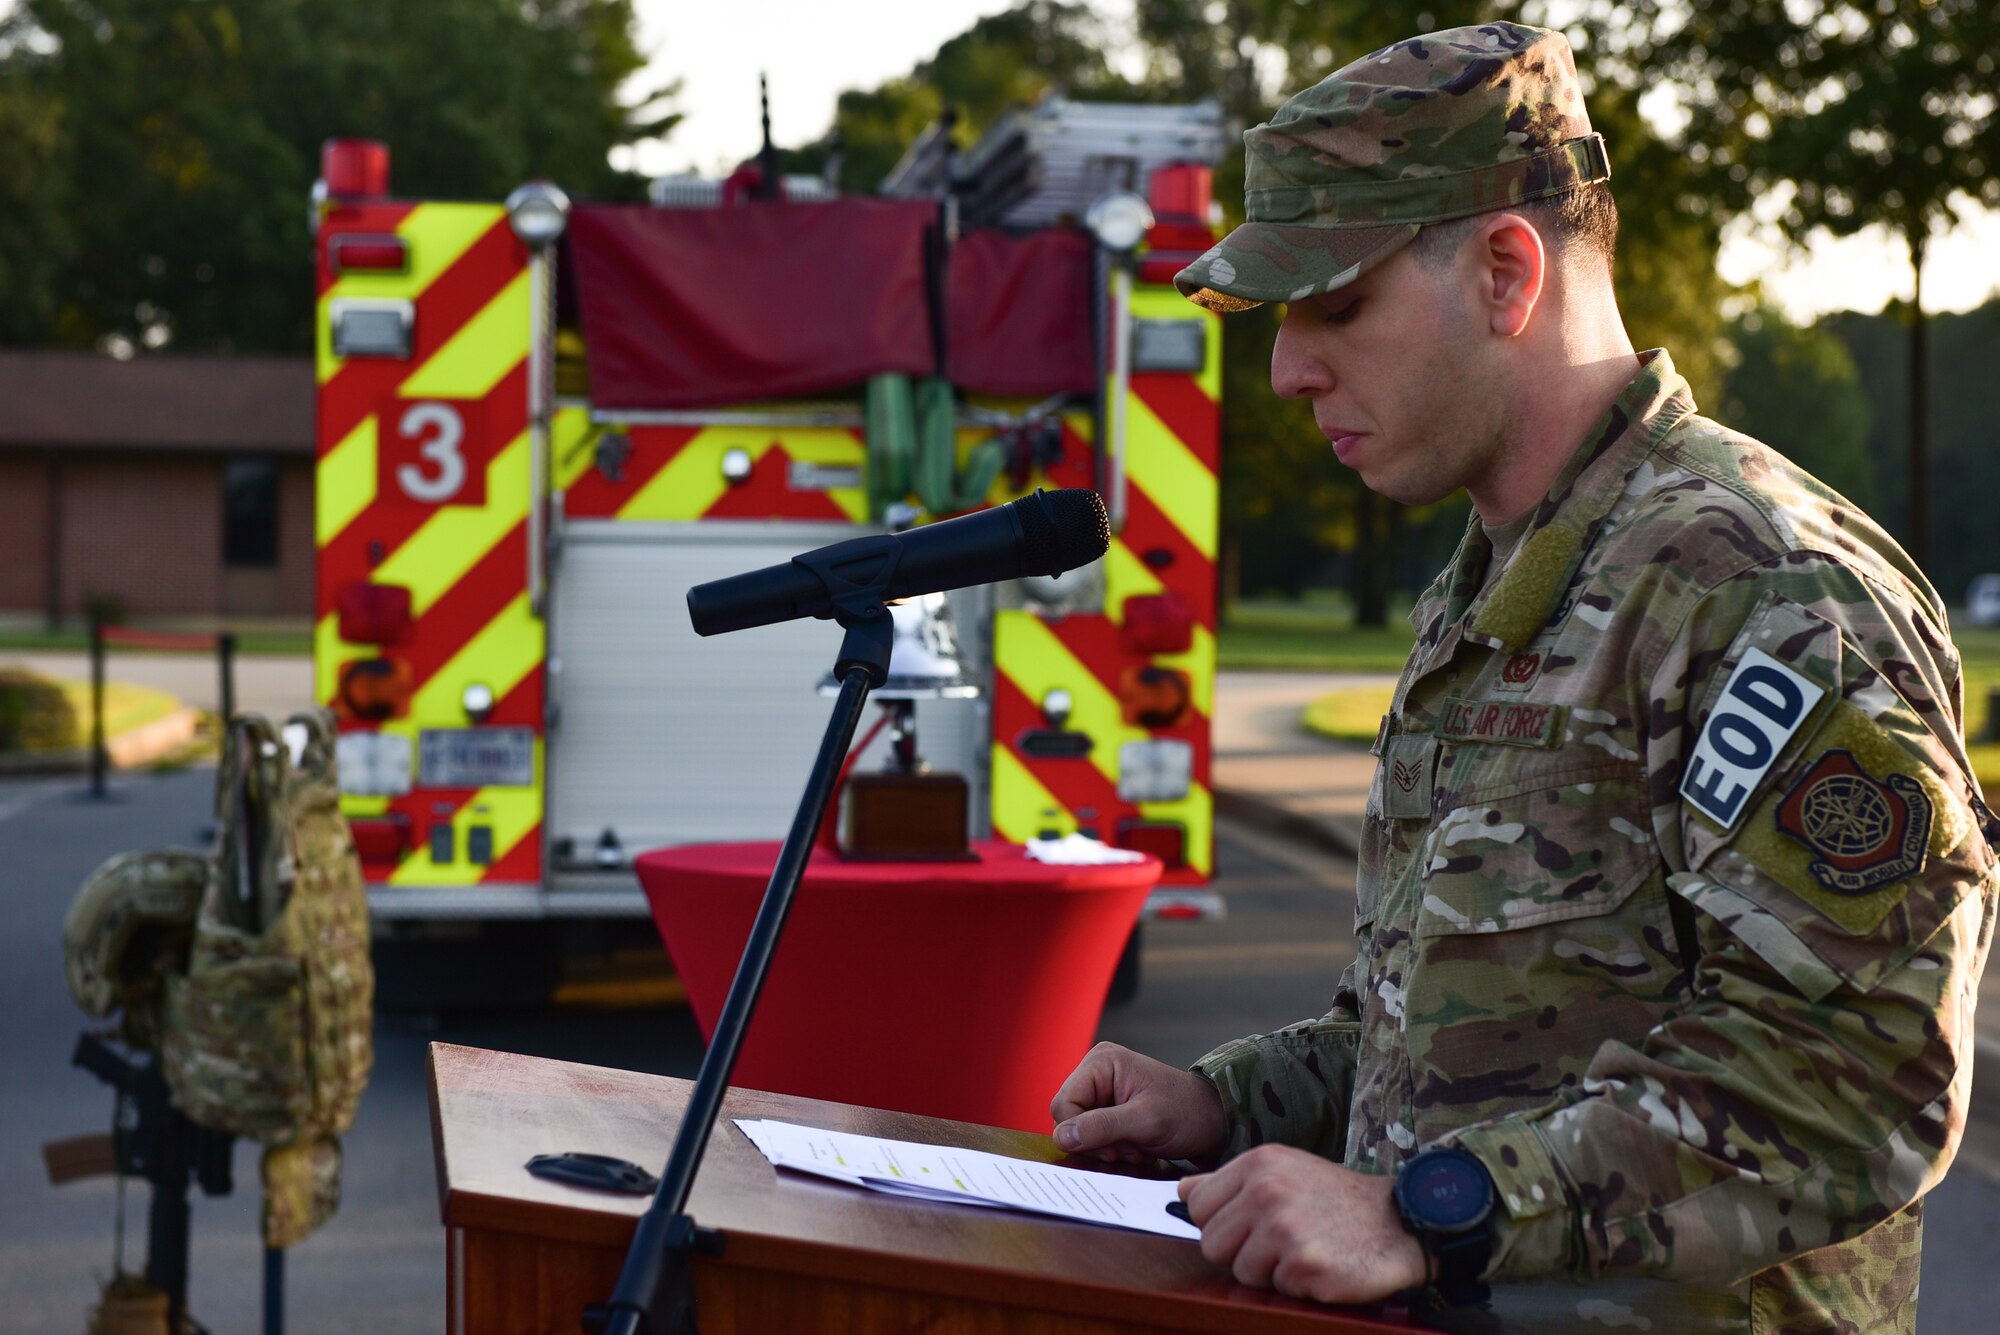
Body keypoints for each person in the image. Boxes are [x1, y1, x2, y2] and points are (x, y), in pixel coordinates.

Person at [1050, 21, 1996, 1333]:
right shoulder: (1499, 586)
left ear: (1505, 272)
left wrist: (1421, 1214)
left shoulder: (1757, 588)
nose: (1285, 368)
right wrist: (1234, 1102)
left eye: (1337, 303)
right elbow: (1459, 1041)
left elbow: (1860, 1076)